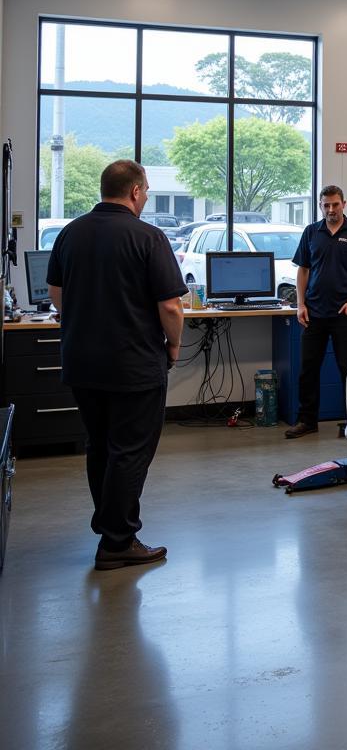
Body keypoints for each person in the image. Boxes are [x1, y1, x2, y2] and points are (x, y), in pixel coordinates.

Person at [46, 159, 186, 570]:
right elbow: (171, 307)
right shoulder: (148, 237)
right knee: (130, 451)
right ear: (137, 191)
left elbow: (56, 293)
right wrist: (174, 347)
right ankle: (118, 541)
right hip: (133, 365)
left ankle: (109, 529)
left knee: (100, 445)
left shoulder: (70, 233)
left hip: (82, 361)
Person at [286, 185, 347, 438]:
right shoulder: (312, 232)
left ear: (344, 204)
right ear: (320, 206)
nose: (331, 209)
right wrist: (301, 304)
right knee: (308, 369)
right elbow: (302, 270)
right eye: (326, 205)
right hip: (314, 313)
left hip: (345, 314)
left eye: (335, 204)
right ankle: (307, 421)